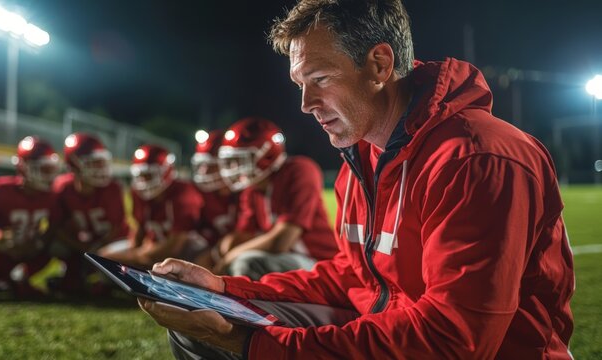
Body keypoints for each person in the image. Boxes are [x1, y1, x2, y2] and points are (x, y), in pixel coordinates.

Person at [139, 1, 574, 359]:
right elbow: (352, 278)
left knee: (231, 340)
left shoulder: (478, 157)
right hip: (391, 330)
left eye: (320, 79)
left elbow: (453, 341)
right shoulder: (362, 158)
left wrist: (250, 344)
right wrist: (223, 289)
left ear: (379, 64)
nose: (306, 103)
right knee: (199, 324)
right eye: (299, 84)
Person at [209, 116, 338, 279]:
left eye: (242, 160)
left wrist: (231, 255)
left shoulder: (300, 170)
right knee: (228, 258)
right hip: (287, 259)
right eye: (232, 161)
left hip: (320, 262)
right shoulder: (252, 189)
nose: (235, 168)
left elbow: (282, 241)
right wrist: (220, 251)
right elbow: (242, 236)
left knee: (246, 263)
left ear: (267, 155)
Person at [0, 136, 59, 296]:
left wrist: (39, 242)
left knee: (55, 244)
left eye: (50, 169)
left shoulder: (52, 196)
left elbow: (55, 227)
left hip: (30, 248)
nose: (48, 175)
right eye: (43, 169)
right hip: (0, 246)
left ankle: (11, 277)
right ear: (24, 167)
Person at [98, 144, 204, 269]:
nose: (144, 181)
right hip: (151, 247)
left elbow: (175, 246)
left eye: (149, 175)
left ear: (166, 172)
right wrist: (136, 250)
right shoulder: (137, 193)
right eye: (141, 175)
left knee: (108, 258)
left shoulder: (184, 193)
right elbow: (139, 229)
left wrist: (136, 256)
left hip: (185, 253)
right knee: (102, 256)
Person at [50, 132, 129, 293]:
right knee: (53, 246)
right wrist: (82, 247)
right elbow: (56, 227)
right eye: (93, 163)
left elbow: (116, 227)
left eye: (101, 162)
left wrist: (95, 249)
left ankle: (97, 277)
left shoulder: (112, 188)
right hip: (82, 244)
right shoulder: (62, 187)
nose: (100, 169)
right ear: (74, 165)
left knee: (112, 275)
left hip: (111, 244)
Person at [189, 129, 241, 270]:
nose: (204, 172)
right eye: (202, 165)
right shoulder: (206, 194)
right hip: (216, 248)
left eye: (211, 164)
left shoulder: (247, 193)